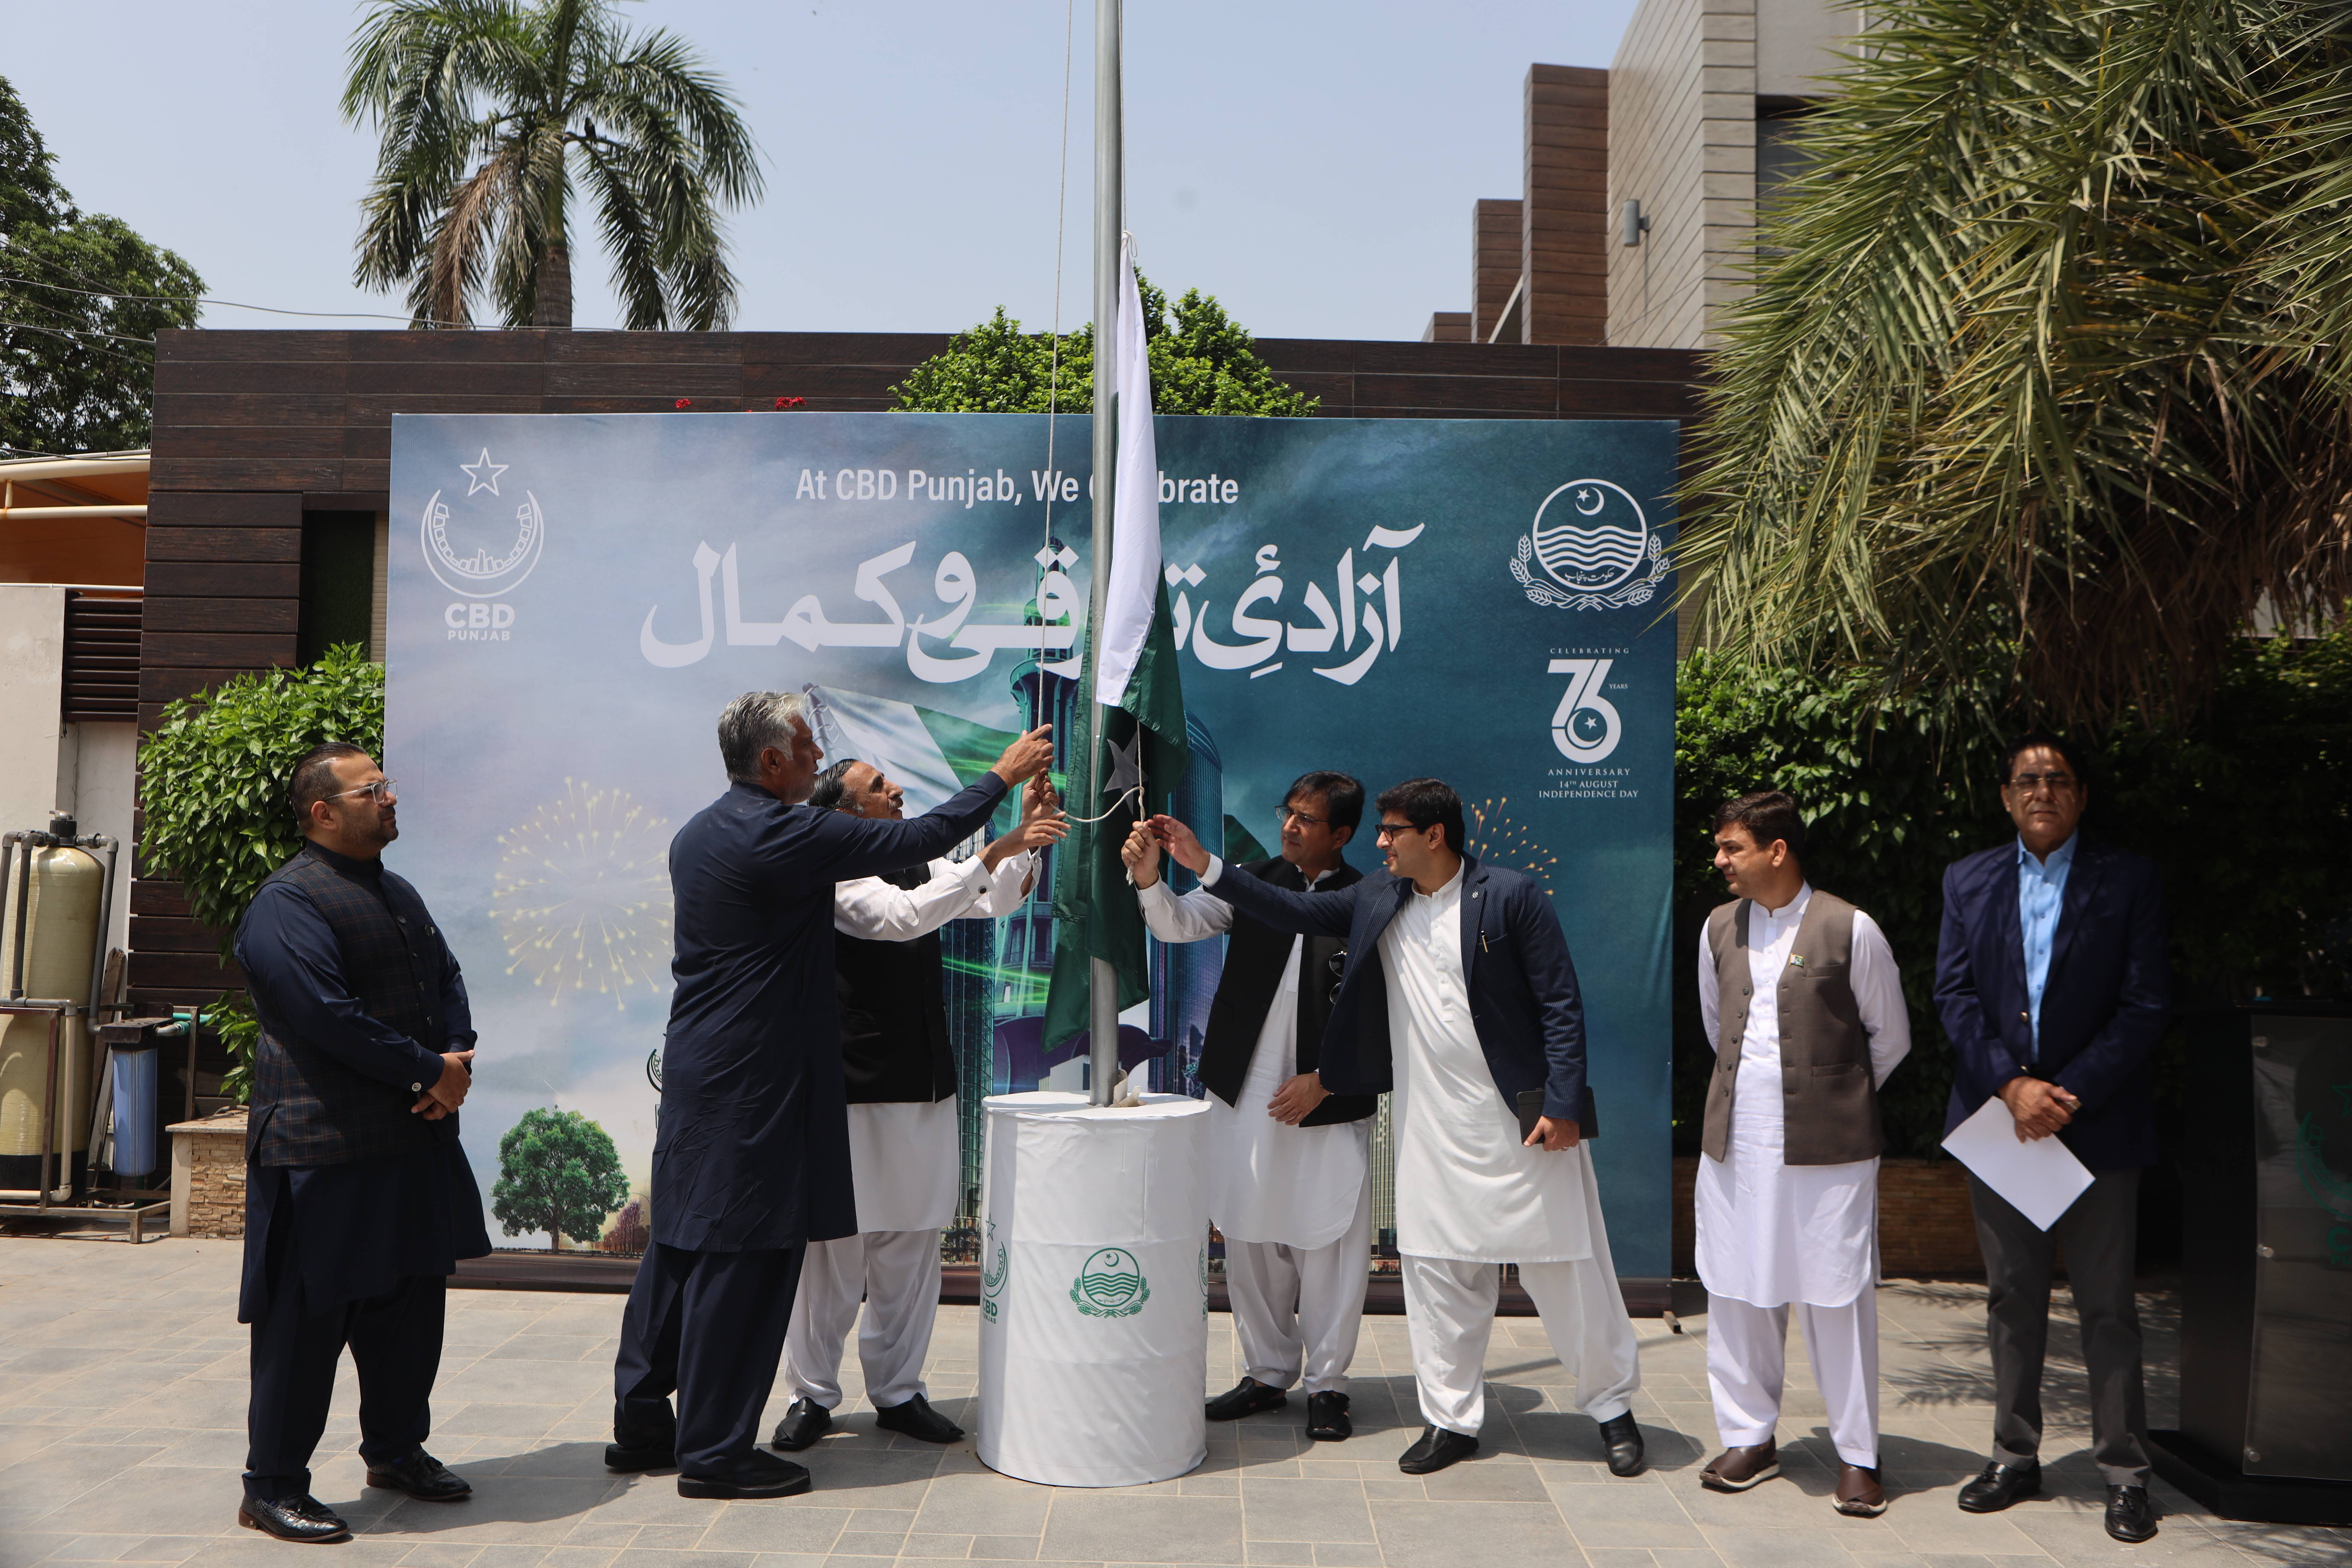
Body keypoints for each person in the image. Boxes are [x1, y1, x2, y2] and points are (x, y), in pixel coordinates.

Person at [606, 692, 1054, 1500]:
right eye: (808, 746)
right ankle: (714, 1451)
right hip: (760, 1082)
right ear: (771, 760)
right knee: (749, 1263)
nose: (816, 758)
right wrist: (1001, 773)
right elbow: (921, 841)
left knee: (678, 1246)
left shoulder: (699, 832)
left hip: (703, 1070)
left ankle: (643, 1421)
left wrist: (1010, 845)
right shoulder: (787, 831)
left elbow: (935, 869)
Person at [1150, 778, 1645, 1478]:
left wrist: (1561, 1105)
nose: (1380, 843)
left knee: (1566, 1269)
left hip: (1524, 1124)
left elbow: (1560, 1002)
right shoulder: (1378, 899)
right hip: (1431, 1131)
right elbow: (1289, 906)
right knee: (1439, 1276)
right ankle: (1450, 1418)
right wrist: (1205, 865)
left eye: (1392, 831)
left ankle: (1613, 1409)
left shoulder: (1511, 896)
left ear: (1434, 836)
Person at [231, 744, 490, 1542]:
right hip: (323, 1150)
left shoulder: (396, 890)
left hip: (408, 1141)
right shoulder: (287, 903)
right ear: (322, 811)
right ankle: (272, 1484)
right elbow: (323, 1014)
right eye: (372, 789)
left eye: (387, 786)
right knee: (307, 1322)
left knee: (409, 1309)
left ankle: (396, 1449)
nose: (390, 798)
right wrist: (429, 1071)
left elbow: (444, 977)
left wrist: (454, 1053)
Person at [772, 758, 1065, 1452]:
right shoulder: (833, 868)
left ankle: (899, 1392)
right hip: (850, 1087)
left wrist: (1028, 842)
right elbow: (898, 921)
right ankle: (811, 1395)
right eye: (878, 787)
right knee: (833, 1254)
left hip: (924, 1083)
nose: (895, 789)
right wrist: (994, 850)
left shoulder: (918, 863)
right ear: (845, 813)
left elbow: (993, 899)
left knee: (910, 1245)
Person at [1935, 732, 2169, 1545]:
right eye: (2028, 779)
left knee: (2109, 1307)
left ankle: (2124, 1470)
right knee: (2011, 1298)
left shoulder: (2129, 879)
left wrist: (2064, 1094)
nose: (2043, 791)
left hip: (2095, 1124)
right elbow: (1954, 994)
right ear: (2005, 795)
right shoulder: (1967, 879)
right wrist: (2011, 1085)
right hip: (2003, 1125)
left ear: (2080, 795)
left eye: (2058, 779)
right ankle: (2013, 1454)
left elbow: (2145, 1003)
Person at [1121, 771, 1375, 1444]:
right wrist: (1151, 881)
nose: (1290, 826)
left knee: (1330, 1243)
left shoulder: (1371, 899)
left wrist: (1327, 1077)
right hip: (1246, 1091)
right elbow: (1179, 926)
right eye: (1286, 812)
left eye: (1307, 819)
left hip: (1328, 1097)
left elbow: (1383, 1011)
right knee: (1249, 1235)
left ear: (1342, 835)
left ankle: (1328, 1386)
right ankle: (1267, 1373)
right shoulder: (1258, 881)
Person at [1694, 791, 1910, 1518]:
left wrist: (1833, 1094)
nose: (1720, 861)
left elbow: (1890, 1036)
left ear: (1776, 850)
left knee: (1835, 1291)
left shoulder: (1852, 926)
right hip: (1736, 1142)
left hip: (1830, 1149)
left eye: (1733, 848)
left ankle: (1857, 1453)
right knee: (1736, 1286)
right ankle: (1750, 1435)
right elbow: (1714, 1019)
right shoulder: (1718, 926)